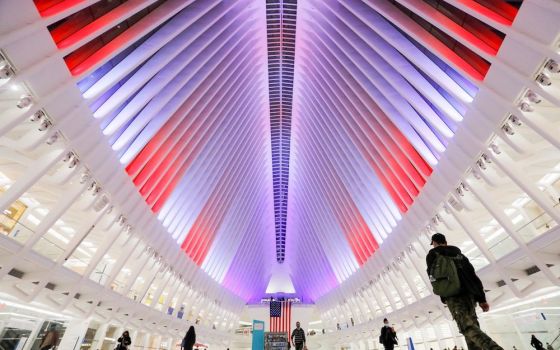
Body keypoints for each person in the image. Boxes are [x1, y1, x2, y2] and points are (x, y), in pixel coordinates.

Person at [426, 233, 503, 350]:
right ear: (445, 242)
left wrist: (443, 294)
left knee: (466, 327)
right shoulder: (459, 254)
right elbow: (473, 276)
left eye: (433, 244)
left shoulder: (433, 254)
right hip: (470, 295)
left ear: (434, 242)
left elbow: (433, 277)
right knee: (472, 327)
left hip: (453, 296)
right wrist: (481, 298)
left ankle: (493, 348)